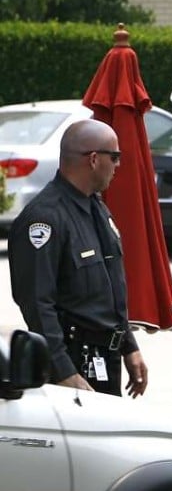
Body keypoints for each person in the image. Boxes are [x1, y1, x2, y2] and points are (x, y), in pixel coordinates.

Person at [8, 119, 148, 397]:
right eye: (115, 156)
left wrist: (128, 346)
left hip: (104, 358)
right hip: (72, 362)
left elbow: (110, 289)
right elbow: (37, 303)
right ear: (94, 159)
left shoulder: (96, 207)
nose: (118, 165)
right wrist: (64, 371)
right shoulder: (44, 219)